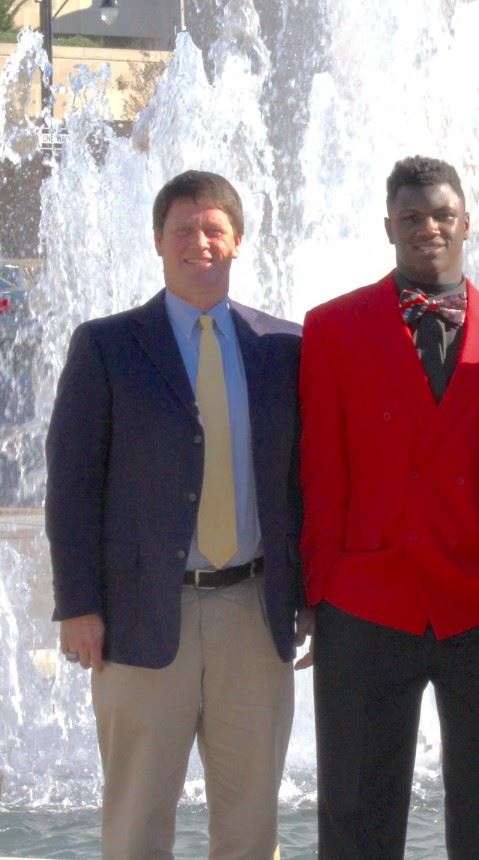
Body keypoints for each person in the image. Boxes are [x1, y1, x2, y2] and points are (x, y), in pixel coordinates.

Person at [46, 170, 310, 858]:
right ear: (158, 242)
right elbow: (71, 487)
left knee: (252, 826)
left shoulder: (284, 348)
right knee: (137, 825)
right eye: (184, 230)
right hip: (139, 617)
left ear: (238, 241)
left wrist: (310, 595)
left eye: (214, 229)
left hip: (254, 614)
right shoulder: (106, 347)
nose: (201, 243)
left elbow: (303, 484)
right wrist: (79, 605)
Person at [299, 155, 479, 860]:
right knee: (355, 809)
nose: (427, 227)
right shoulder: (332, 327)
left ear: (465, 221)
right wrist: (319, 593)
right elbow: (321, 473)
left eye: (441, 214)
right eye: (410, 216)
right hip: (369, 603)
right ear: (387, 227)